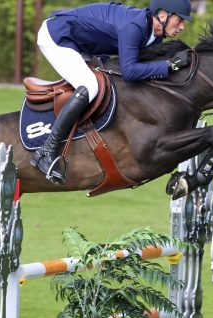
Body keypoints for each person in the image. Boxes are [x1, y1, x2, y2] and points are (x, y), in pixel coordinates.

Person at [32, 0, 194, 184]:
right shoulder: (134, 27)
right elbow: (130, 71)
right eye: (180, 20)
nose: (182, 26)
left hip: (82, 43)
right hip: (57, 37)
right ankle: (46, 151)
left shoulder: (154, 35)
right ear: (163, 16)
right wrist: (170, 65)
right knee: (89, 85)